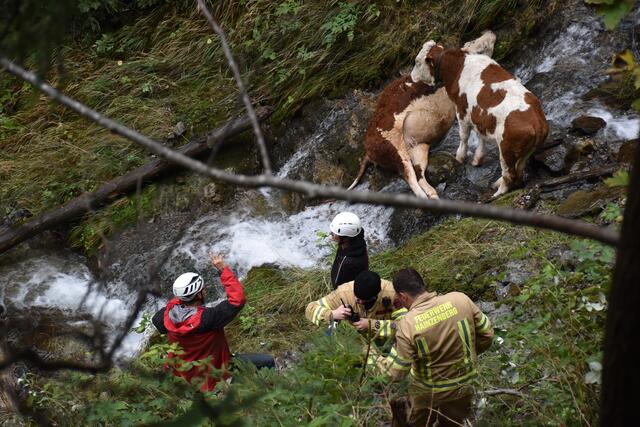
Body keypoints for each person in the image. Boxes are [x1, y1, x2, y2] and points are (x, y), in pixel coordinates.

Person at [375, 268, 494, 427]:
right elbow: (487, 334)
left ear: (403, 296)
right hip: (466, 385)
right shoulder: (460, 299)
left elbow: (395, 373)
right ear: (422, 285)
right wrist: (466, 354)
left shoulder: (408, 324)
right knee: (454, 423)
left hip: (428, 396)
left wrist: (374, 360)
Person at [152, 253, 246, 392]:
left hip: (182, 376)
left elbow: (173, 304)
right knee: (266, 362)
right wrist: (222, 268)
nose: (205, 291)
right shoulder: (208, 319)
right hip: (213, 377)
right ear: (198, 295)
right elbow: (237, 300)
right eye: (202, 290)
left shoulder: (163, 317)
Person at [305, 270, 407, 343]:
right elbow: (310, 309)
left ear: (375, 296)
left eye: (361, 300)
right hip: (357, 343)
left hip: (389, 341)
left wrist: (371, 325)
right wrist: (332, 314)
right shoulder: (344, 293)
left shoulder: (393, 294)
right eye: (356, 297)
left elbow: (405, 327)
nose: (357, 300)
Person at [330, 212, 369, 289]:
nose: (331, 233)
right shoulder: (357, 240)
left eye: (334, 233)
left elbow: (338, 285)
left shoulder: (347, 263)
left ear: (345, 238)